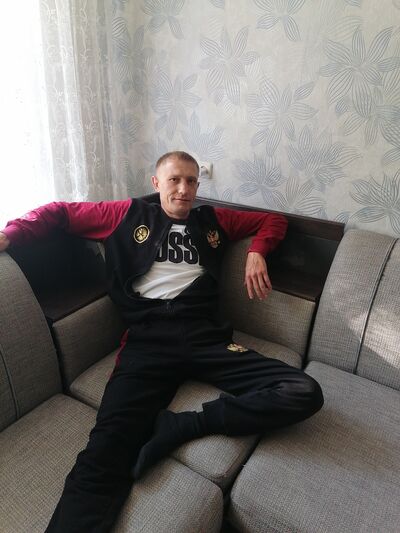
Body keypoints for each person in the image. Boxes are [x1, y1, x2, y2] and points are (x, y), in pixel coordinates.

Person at [0, 151, 323, 532]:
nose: (183, 189)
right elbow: (60, 213)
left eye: (191, 181)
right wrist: (11, 234)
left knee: (303, 390)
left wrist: (257, 251)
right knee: (106, 449)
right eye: (174, 180)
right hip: (148, 340)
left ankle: (182, 427)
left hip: (206, 338)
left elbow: (274, 220)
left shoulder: (213, 220)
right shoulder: (126, 214)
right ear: (156, 183)